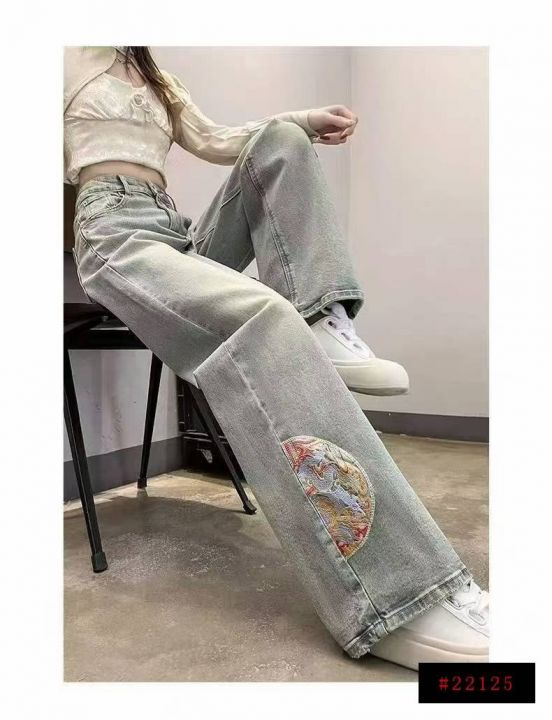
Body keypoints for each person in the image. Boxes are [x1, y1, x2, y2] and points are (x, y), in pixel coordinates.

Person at [64, 46, 489, 671]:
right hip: (113, 233)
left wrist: (304, 119)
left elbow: (216, 140)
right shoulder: (60, 53)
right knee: (264, 315)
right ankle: (396, 594)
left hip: (176, 232)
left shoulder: (156, 76)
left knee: (281, 141)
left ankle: (320, 313)